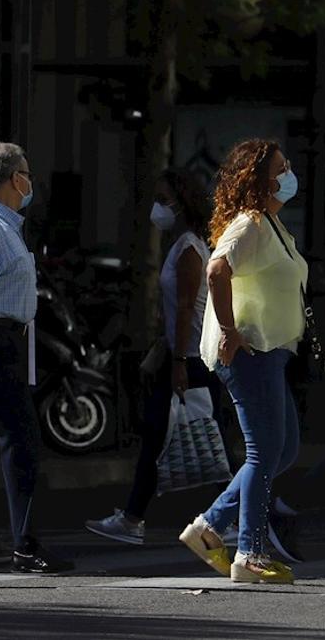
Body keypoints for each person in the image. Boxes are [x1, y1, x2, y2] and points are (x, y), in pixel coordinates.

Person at [179, 139, 304, 585]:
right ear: (258, 178)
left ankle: (210, 526)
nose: (288, 174)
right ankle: (249, 552)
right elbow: (217, 270)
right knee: (264, 451)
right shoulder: (250, 222)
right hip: (250, 352)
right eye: (280, 168)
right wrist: (230, 331)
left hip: (270, 351)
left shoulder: (270, 224)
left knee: (283, 449)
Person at [85, 168, 228, 544]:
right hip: (182, 355)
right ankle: (137, 517)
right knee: (172, 436)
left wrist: (177, 362)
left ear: (182, 203)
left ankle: (230, 519)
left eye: (163, 200)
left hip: (191, 358)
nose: (157, 208)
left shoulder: (189, 249)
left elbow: (185, 308)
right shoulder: (181, 244)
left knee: (193, 438)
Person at [0, 142, 71, 573]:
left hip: (1, 341)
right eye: (26, 172)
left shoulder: (4, 225)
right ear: (12, 180)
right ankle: (24, 544)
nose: (31, 179)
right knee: (20, 439)